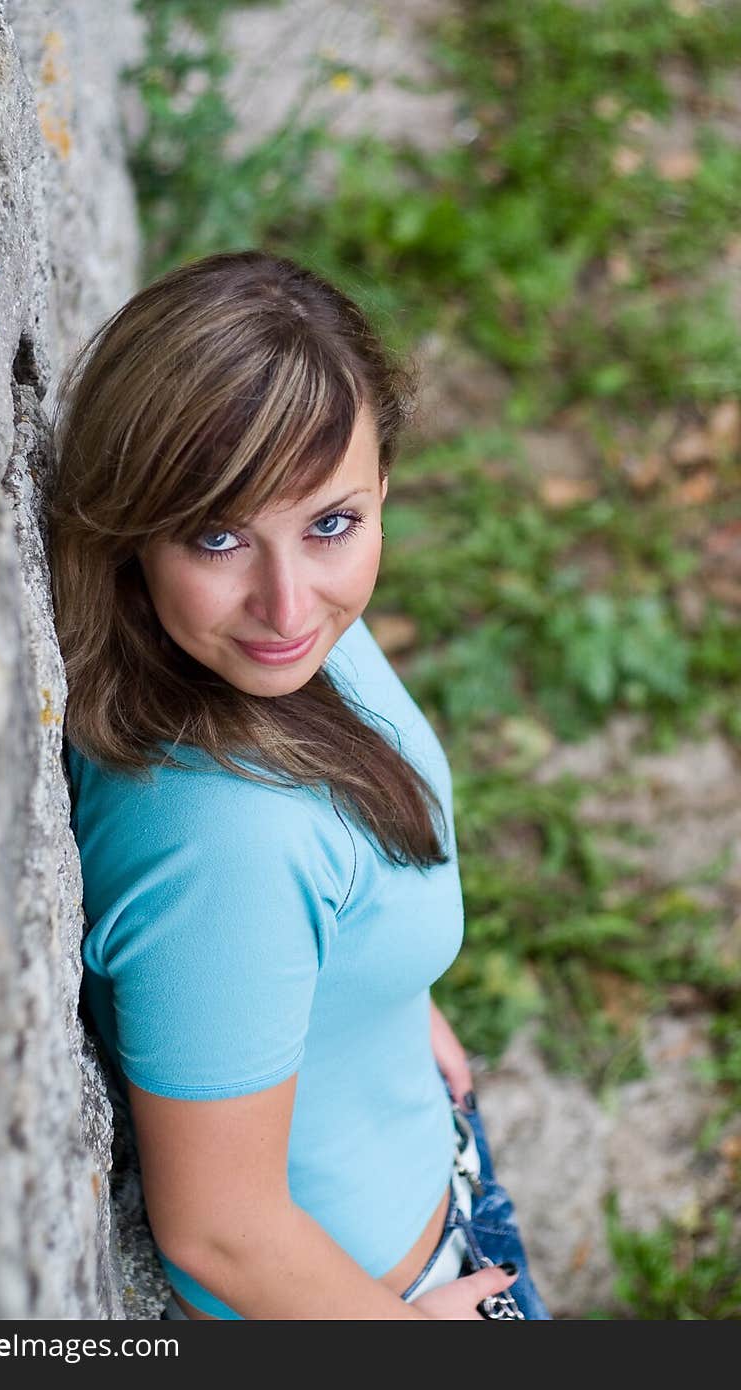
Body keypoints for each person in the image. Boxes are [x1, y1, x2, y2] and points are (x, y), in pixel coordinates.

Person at [46, 248, 551, 1321]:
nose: (287, 603)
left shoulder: (272, 651)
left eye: (332, 522)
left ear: (381, 490)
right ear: (131, 528)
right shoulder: (221, 837)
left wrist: (386, 997)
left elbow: (332, 873)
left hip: (431, 1190)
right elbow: (221, 1235)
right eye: (217, 535)